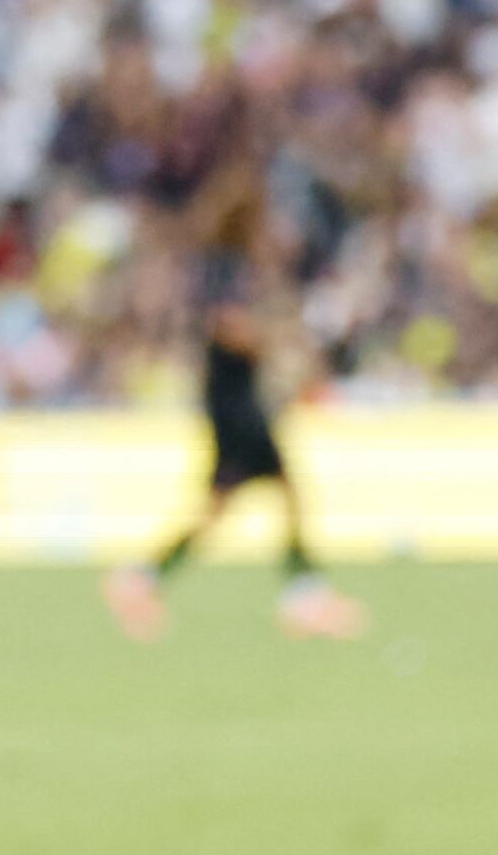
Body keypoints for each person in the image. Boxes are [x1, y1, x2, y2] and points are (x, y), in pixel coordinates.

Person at [105, 242, 363, 642]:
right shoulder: (226, 289)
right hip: (239, 424)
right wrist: (286, 333)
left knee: (236, 508)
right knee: (270, 501)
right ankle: (304, 595)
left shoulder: (226, 284)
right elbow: (244, 335)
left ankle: (143, 578)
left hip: (237, 420)